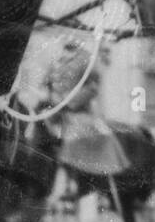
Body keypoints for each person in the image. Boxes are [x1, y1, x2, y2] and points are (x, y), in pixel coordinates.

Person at [40, 37, 128, 180]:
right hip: (52, 110)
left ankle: (73, 181)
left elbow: (93, 87)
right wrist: (48, 97)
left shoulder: (87, 58)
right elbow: (45, 83)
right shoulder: (55, 56)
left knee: (83, 136)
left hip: (77, 112)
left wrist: (69, 101)